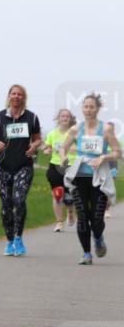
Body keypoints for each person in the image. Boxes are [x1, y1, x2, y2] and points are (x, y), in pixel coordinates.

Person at [61, 93, 121, 265]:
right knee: (82, 216)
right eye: (85, 107)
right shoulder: (75, 129)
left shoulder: (106, 129)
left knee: (96, 218)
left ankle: (98, 237)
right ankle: (86, 254)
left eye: (91, 107)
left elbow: (118, 152)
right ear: (82, 109)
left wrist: (103, 158)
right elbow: (63, 148)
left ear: (98, 109)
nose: (88, 110)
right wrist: (64, 157)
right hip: (80, 176)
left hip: (99, 178)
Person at [0, 85, 42, 256]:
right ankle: (9, 241)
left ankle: (18, 238)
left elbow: (38, 139)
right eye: (13, 94)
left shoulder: (32, 117)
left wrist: (34, 146)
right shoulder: (0, 117)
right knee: (6, 205)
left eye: (20, 94)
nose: (16, 96)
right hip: (3, 167)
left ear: (24, 98)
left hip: (24, 166)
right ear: (9, 96)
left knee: (19, 199)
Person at [42, 108, 78, 231]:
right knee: (58, 195)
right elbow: (47, 148)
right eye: (62, 116)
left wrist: (73, 150)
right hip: (55, 165)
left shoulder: (75, 133)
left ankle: (71, 212)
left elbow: (83, 148)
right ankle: (59, 222)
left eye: (67, 116)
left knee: (69, 194)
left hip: (72, 166)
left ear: (71, 119)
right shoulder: (52, 134)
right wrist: (47, 151)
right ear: (58, 118)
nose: (65, 118)